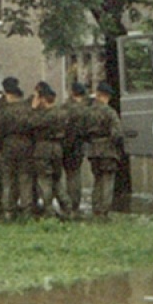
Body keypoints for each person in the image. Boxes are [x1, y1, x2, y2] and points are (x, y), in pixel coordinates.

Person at [0, 79, 35, 219]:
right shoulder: (29, 110)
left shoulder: (4, 111)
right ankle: (27, 210)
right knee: (25, 179)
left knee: (8, 179)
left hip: (8, 146)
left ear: (8, 95)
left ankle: (8, 210)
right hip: (26, 146)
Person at [84, 80, 125, 220]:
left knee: (97, 180)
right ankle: (104, 211)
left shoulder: (87, 112)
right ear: (104, 96)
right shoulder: (109, 112)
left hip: (92, 150)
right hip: (107, 149)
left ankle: (95, 209)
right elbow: (117, 133)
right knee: (107, 180)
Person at [29, 82, 70, 219]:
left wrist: (33, 109)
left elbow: (31, 123)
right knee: (57, 179)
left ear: (43, 99)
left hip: (43, 148)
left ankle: (48, 210)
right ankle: (66, 207)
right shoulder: (63, 113)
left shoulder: (45, 115)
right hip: (57, 148)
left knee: (44, 180)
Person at [60, 81, 90, 217]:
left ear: (72, 93)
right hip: (78, 145)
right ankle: (74, 205)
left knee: (60, 176)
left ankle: (64, 204)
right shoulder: (85, 110)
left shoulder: (64, 108)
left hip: (63, 144)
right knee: (75, 176)